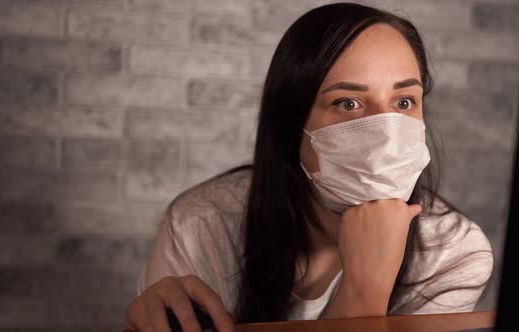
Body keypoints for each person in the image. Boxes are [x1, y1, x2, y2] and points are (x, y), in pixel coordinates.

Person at [125, 3, 493, 332]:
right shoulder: (202, 226)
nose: (386, 134)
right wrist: (362, 294)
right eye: (348, 103)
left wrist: (367, 289)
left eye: (403, 102)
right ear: (292, 125)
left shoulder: (454, 254)